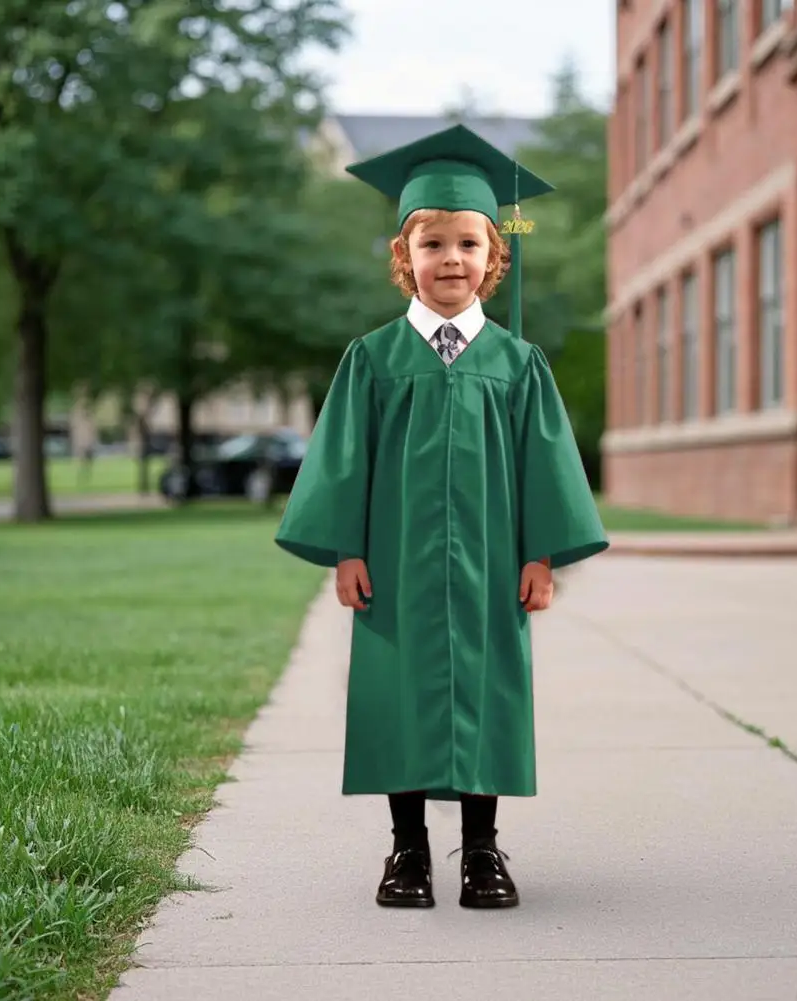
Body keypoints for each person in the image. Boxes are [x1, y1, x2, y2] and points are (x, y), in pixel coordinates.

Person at [275, 124, 608, 910]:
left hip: (491, 564)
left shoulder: (518, 365)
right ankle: (407, 850)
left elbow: (544, 467)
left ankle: (482, 851)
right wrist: (346, 550)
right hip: (394, 562)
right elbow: (342, 463)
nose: (450, 258)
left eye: (467, 243)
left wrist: (540, 555)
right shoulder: (372, 359)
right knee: (399, 693)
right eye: (432, 244)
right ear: (404, 256)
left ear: (494, 258)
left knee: (486, 692)